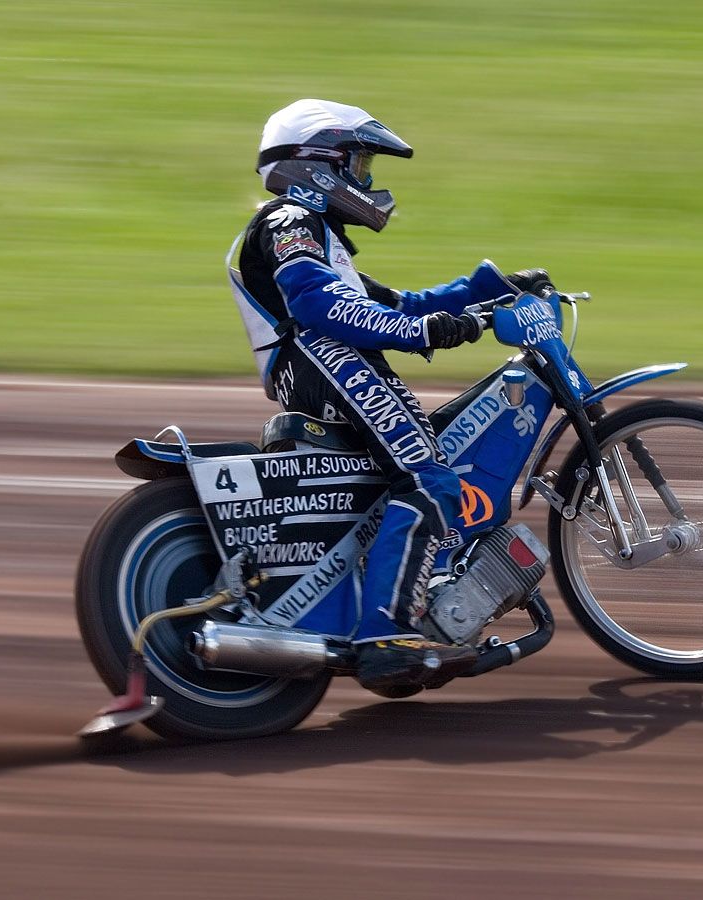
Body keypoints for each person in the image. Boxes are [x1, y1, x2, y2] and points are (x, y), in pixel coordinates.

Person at [225, 99, 551, 693]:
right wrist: (428, 333)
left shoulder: (322, 238)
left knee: (424, 475)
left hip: (328, 362)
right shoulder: (288, 222)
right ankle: (384, 632)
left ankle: (405, 605)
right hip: (322, 361)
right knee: (431, 482)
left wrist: (487, 290)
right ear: (319, 166)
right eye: (360, 164)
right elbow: (319, 308)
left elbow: (397, 305)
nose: (367, 180)